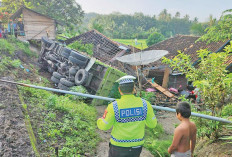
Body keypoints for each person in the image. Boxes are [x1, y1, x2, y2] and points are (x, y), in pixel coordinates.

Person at [97, 75, 157, 157]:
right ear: (133, 89)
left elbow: (104, 126)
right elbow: (152, 124)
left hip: (118, 146)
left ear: (119, 90)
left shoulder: (113, 106)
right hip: (136, 147)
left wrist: (99, 120)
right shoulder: (145, 104)